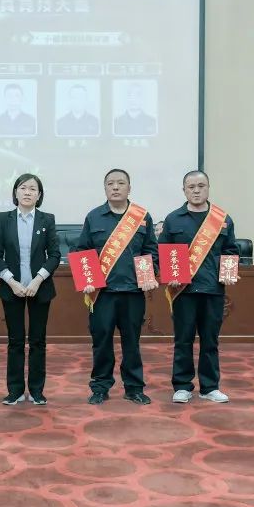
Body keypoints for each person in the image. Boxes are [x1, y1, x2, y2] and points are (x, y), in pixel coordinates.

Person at [73, 168, 158, 405]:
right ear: (105, 188)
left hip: (133, 292)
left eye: (121, 183)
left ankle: (134, 387)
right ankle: (100, 387)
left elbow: (151, 250)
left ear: (129, 188)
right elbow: (82, 251)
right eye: (110, 183)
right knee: (101, 342)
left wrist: (150, 273)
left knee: (132, 342)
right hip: (103, 294)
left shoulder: (142, 217)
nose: (116, 187)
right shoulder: (94, 217)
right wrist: (87, 280)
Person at [159, 170, 239, 404]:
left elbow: (231, 251)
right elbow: (164, 252)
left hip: (213, 290)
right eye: (191, 187)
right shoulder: (173, 219)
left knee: (210, 341)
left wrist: (229, 272)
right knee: (183, 340)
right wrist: (169, 275)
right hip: (183, 291)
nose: (196, 191)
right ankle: (182, 386)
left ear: (208, 188)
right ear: (184, 190)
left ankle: (210, 387)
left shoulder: (222, 219)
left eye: (201, 186)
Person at [0, 174, 61, 406]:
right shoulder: (4, 218)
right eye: (23, 188)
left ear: (39, 195)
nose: (27, 192)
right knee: (15, 341)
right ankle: (15, 391)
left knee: (38, 341)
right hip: (12, 288)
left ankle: (37, 391)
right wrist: (12, 282)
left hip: (39, 288)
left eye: (33, 189)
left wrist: (37, 280)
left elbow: (55, 255)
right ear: (15, 192)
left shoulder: (47, 219)